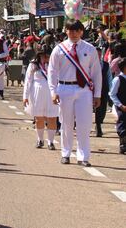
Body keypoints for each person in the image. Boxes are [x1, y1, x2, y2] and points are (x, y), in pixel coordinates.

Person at [48, 20, 102, 166]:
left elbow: (96, 73)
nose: (73, 33)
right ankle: (65, 153)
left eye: (76, 30)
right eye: (70, 30)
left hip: (84, 91)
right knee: (66, 124)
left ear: (81, 32)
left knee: (84, 124)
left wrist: (97, 94)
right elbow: (52, 72)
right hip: (64, 88)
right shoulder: (59, 49)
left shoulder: (90, 49)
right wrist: (53, 91)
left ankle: (83, 156)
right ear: (66, 31)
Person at [23, 45, 58, 150]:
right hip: (37, 93)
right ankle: (40, 139)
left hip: (52, 93)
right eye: (43, 55)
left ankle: (51, 142)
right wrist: (25, 96)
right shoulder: (33, 65)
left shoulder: (55, 65)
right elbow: (28, 81)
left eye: (47, 55)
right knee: (39, 118)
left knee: (52, 118)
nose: (45, 57)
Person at [108, 58, 126, 154]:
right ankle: (123, 145)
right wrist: (120, 105)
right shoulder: (118, 79)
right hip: (122, 106)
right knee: (122, 124)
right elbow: (112, 94)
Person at [94, 48, 112, 138]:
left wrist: (111, 91)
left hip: (103, 89)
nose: (98, 55)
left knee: (102, 109)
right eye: (96, 54)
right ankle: (97, 127)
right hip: (90, 89)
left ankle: (98, 124)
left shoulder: (105, 65)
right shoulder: (89, 64)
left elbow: (109, 78)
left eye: (99, 54)